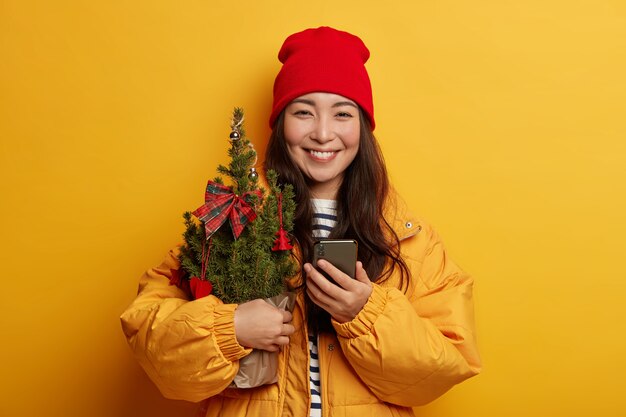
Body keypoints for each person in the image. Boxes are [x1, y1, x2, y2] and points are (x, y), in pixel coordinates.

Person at [121, 26, 481, 417]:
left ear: (362, 126)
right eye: (304, 112)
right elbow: (150, 342)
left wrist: (365, 315)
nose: (323, 134)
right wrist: (231, 328)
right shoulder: (229, 223)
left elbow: (441, 369)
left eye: (342, 114)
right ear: (281, 124)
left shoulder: (408, 240)